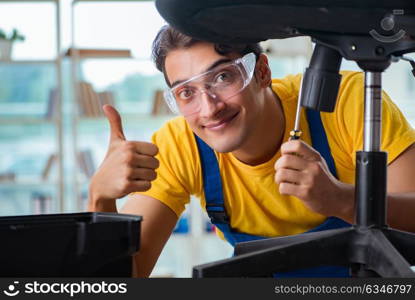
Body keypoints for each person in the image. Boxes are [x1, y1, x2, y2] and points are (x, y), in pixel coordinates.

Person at [88, 25, 415, 277]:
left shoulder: (345, 100)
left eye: (222, 77)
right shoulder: (179, 145)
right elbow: (126, 278)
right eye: (187, 92)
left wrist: (341, 199)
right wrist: (100, 199)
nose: (209, 109)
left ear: (261, 72)